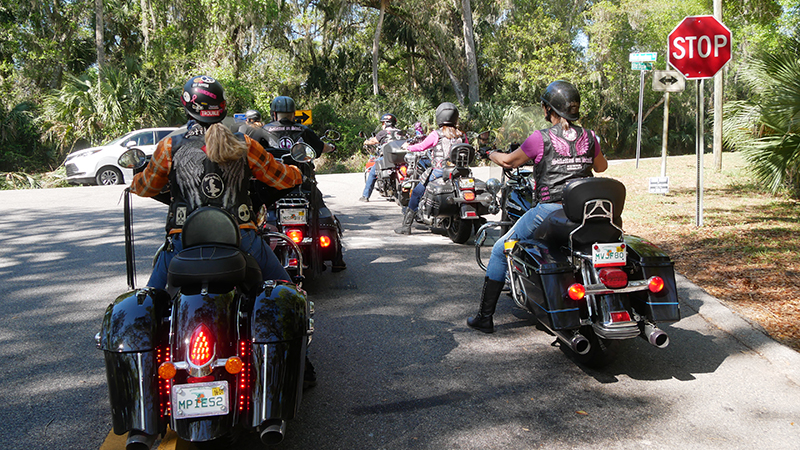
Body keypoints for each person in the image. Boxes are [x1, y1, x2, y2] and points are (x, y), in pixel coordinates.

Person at [131, 75, 304, 290]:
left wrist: (135, 180)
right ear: (221, 106)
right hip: (242, 238)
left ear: (187, 106)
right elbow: (281, 179)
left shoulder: (169, 146)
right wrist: (297, 171)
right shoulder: (245, 144)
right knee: (287, 289)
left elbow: (147, 187)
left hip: (182, 240)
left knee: (151, 302)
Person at [467, 80, 609, 333]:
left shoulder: (540, 138)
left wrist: (490, 153)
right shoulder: (589, 136)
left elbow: (509, 162)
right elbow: (601, 168)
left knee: (501, 249)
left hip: (550, 211)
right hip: (586, 213)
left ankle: (484, 317)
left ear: (548, 109)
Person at [261, 95, 347, 272]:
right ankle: (338, 260)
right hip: (302, 185)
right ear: (293, 113)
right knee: (322, 207)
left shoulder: (261, 131)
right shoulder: (303, 130)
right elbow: (320, 147)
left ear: (274, 113)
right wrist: (331, 147)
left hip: (272, 186)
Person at [394, 102, 465, 235]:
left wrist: (407, 147)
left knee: (416, 192)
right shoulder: (461, 135)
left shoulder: (436, 134)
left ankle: (406, 226)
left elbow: (421, 147)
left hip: (439, 171)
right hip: (458, 172)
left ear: (439, 117)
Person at [360, 113, 407, 202]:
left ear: (386, 123)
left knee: (373, 173)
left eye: (383, 123)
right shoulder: (401, 132)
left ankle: (365, 196)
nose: (382, 125)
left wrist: (366, 142)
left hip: (387, 158)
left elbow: (374, 140)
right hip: (402, 159)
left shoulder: (384, 132)